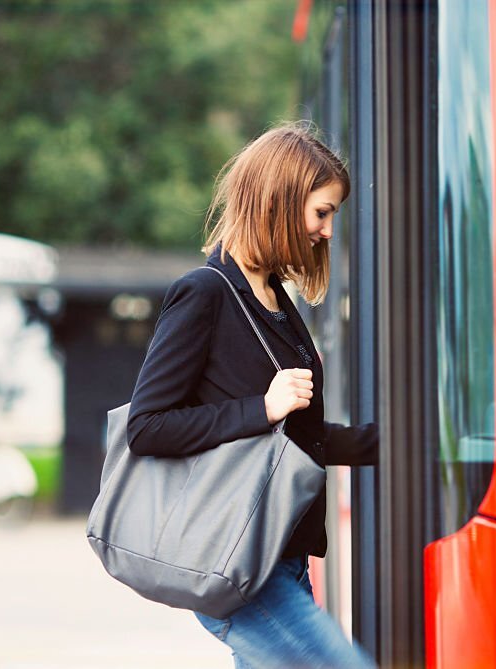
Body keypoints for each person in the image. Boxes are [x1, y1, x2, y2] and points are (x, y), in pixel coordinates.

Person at [126, 122, 378, 669]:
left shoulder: (275, 299)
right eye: (322, 212)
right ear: (280, 201)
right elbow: (146, 427)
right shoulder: (206, 293)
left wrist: (388, 443)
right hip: (237, 560)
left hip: (280, 557)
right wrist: (259, 407)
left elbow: (296, 437)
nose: (328, 231)